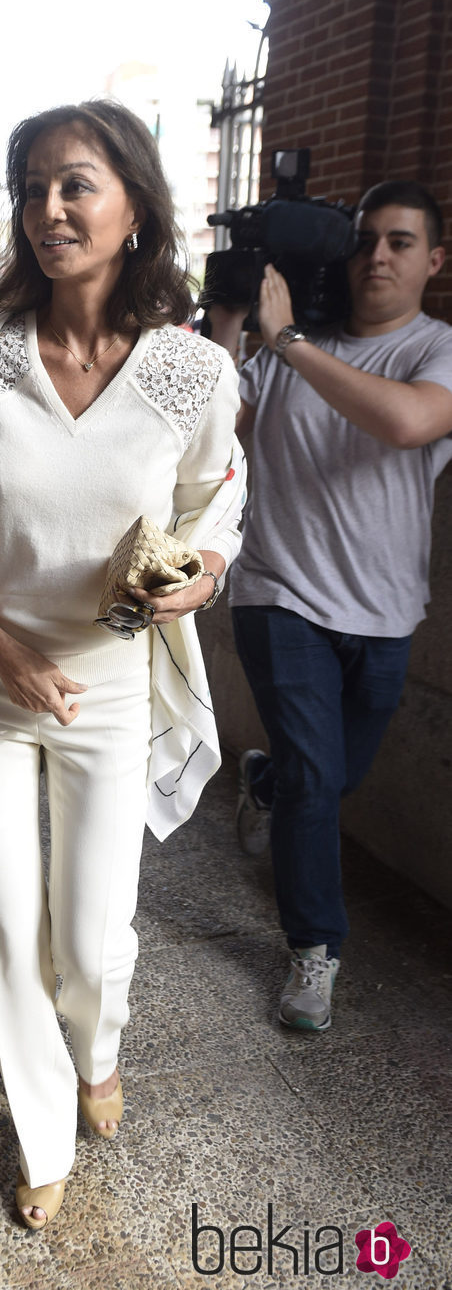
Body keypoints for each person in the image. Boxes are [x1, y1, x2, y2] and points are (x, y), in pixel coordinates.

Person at [0, 100, 244, 1228]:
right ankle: (41, 1128)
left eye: (73, 184)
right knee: (3, 920)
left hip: (114, 684)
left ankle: (96, 1046)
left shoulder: (190, 371)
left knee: (90, 930)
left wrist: (205, 571)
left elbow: (213, 497)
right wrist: (0, 649)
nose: (46, 209)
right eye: (31, 187)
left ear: (133, 205)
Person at [215, 180, 452, 1033]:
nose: (377, 257)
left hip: (386, 614)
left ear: (433, 259)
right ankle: (315, 951)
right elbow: (206, 427)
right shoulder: (278, 354)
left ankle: (264, 779)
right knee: (321, 779)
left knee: (328, 778)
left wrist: (288, 342)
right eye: (364, 242)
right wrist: (235, 322)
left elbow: (404, 425)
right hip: (279, 594)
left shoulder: (436, 351)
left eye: (399, 242)